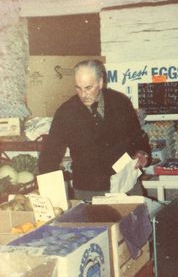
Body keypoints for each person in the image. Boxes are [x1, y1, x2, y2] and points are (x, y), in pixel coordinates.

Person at [38, 59, 152, 201]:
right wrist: (50, 194)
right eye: (78, 88)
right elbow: (50, 153)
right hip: (89, 190)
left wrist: (142, 152)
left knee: (134, 222)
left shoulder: (120, 102)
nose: (83, 94)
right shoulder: (66, 113)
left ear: (100, 82)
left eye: (88, 88)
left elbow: (137, 136)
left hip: (126, 184)